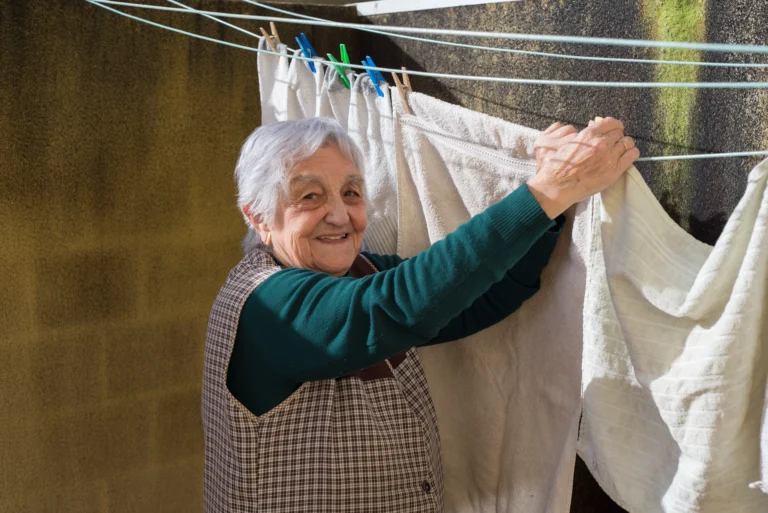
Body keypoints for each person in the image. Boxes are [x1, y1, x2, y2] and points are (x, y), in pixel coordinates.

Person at [202, 116, 639, 512]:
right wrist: (548, 190)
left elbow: (482, 295)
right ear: (259, 217)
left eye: (351, 192)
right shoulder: (267, 305)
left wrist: (552, 209)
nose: (339, 215)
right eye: (310, 196)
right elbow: (399, 305)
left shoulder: (360, 274)